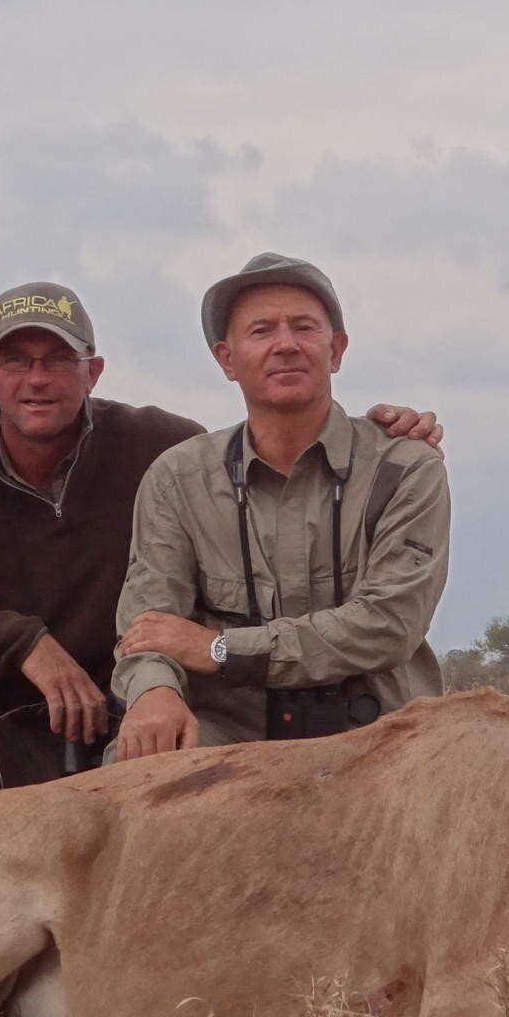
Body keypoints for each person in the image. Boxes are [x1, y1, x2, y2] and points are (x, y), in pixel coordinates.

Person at [0, 281, 441, 842]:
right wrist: (26, 646)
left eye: (57, 359)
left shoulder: (163, 449)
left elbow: (280, 458)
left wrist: (385, 433)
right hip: (20, 725)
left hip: (154, 713)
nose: (37, 379)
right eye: (15, 361)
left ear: (92, 371)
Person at [111, 253, 450, 757]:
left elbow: (387, 626)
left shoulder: (406, 465)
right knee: (134, 760)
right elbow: (148, 628)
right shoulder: (177, 478)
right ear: (227, 359)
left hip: (382, 736)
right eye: (262, 330)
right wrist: (154, 690)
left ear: (336, 350)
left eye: (304, 327)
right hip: (233, 737)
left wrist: (218, 649)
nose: (286, 345)